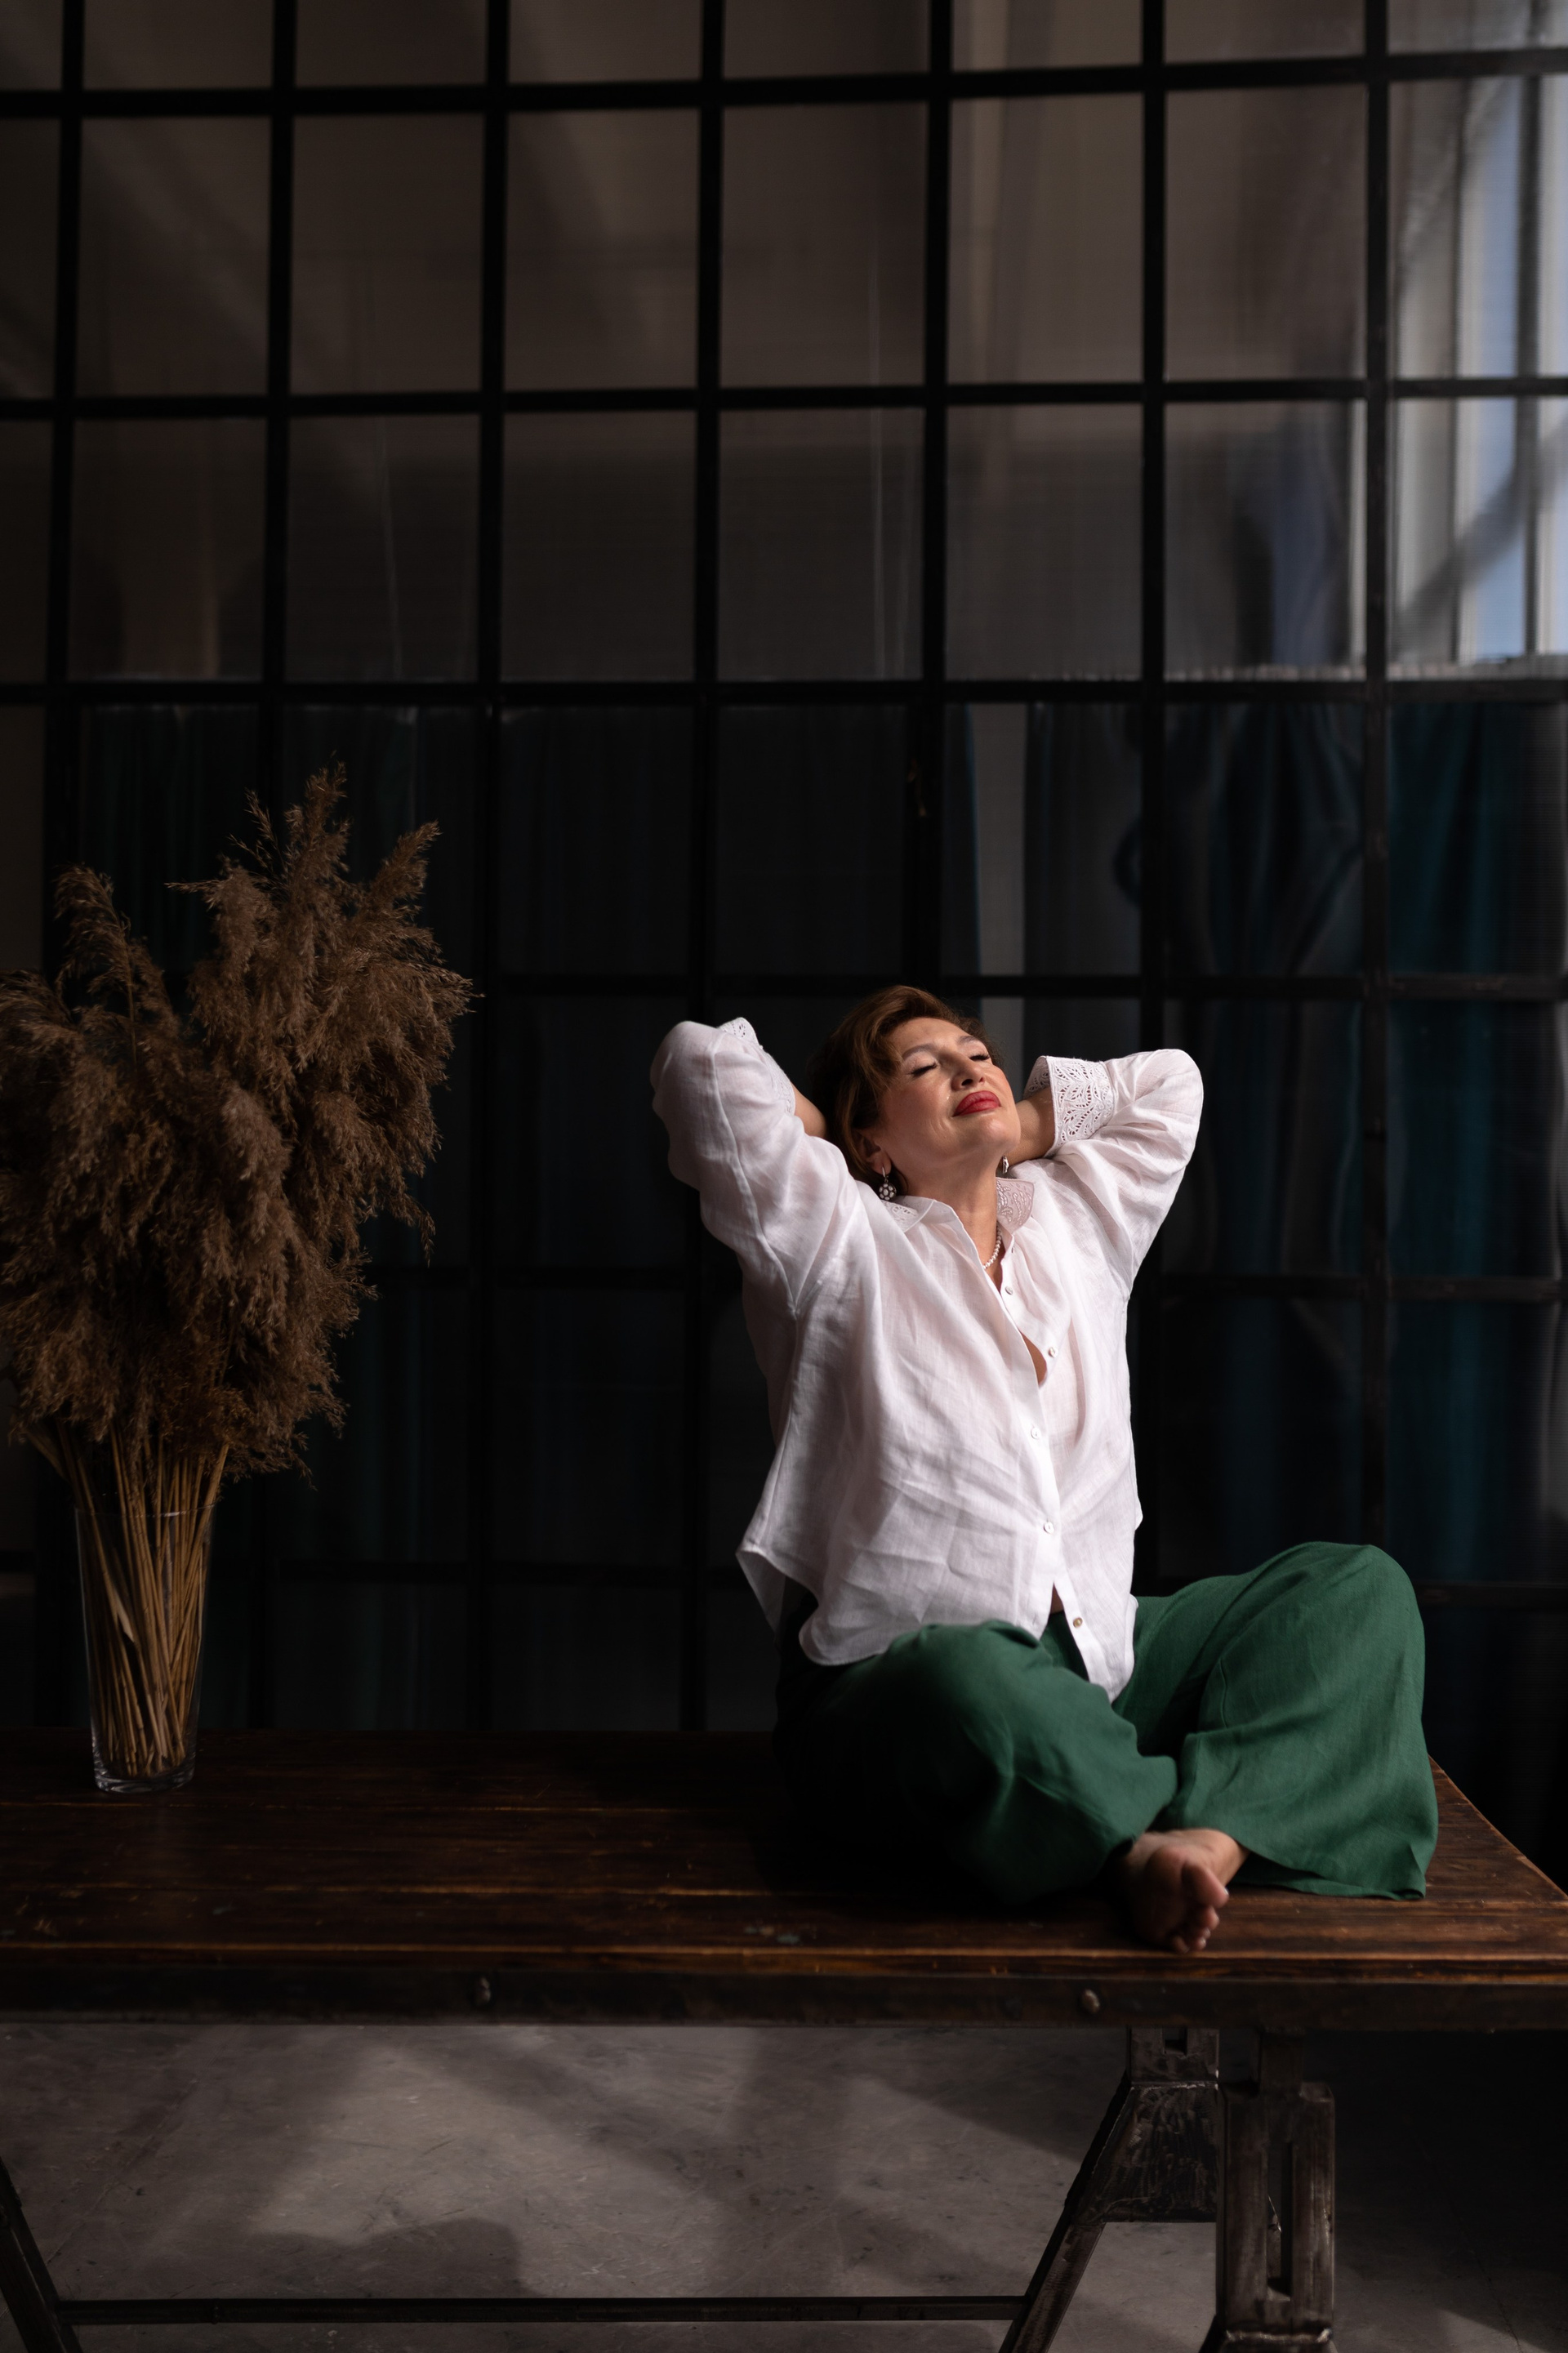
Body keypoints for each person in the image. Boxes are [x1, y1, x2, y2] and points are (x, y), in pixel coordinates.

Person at [651, 987, 1437, 1953]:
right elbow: (701, 1067)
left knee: (1355, 1591)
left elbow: (1171, 1085)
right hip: (904, 1690)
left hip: (1096, 1667)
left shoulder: (1077, 1224)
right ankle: (1142, 1840)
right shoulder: (833, 1239)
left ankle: (1200, 1839)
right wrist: (839, 1143)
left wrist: (1016, 1125)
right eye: (923, 1067)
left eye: (975, 1054)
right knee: (966, 1674)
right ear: (870, 1139)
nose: (968, 1068)